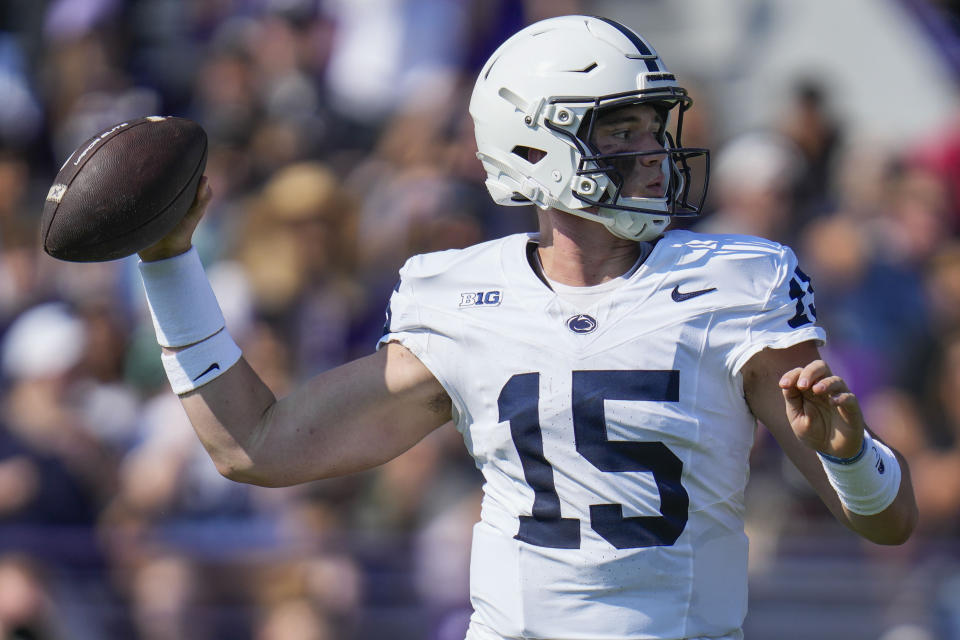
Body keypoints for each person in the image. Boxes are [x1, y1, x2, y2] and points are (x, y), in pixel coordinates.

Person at [135, 15, 917, 640]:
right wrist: (170, 266)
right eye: (620, 131)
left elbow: (887, 522)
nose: (654, 153)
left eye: (653, 126)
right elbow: (254, 446)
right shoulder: (461, 294)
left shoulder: (738, 280)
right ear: (534, 146)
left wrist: (849, 457)